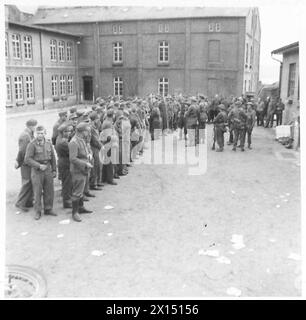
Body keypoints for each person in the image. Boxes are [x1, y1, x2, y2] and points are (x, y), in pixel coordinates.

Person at [24, 125, 57, 220]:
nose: (40, 135)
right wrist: (38, 165)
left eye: (42, 133)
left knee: (49, 190)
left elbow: (53, 158)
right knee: (37, 192)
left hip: (47, 169)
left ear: (45, 133)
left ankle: (48, 209)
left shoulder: (48, 143)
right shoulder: (32, 144)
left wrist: (54, 170)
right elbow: (27, 159)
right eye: (38, 133)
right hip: (37, 171)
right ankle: (37, 211)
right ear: (35, 134)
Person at [68, 122, 93, 222]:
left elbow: (87, 150)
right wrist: (85, 164)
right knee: (77, 192)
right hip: (78, 170)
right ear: (82, 132)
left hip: (83, 169)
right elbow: (72, 159)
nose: (88, 133)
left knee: (81, 190)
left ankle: (81, 207)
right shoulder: (73, 142)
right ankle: (75, 212)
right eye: (87, 131)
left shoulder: (81, 139)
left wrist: (90, 155)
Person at [15, 119, 38, 212]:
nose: (36, 128)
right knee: (27, 182)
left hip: (28, 162)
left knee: (30, 182)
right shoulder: (25, 136)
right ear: (31, 126)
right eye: (35, 126)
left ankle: (28, 201)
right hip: (26, 163)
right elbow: (23, 151)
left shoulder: (29, 134)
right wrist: (19, 161)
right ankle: (20, 203)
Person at [55, 122, 73, 208]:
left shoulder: (60, 139)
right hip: (65, 163)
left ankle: (67, 199)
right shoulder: (63, 142)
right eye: (68, 131)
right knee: (67, 183)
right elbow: (72, 152)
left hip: (63, 161)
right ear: (63, 132)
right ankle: (67, 202)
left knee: (67, 182)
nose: (69, 133)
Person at [89, 112, 103, 190]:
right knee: (95, 166)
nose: (99, 120)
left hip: (97, 148)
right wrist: (102, 147)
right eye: (97, 119)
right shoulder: (92, 128)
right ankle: (93, 184)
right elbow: (95, 140)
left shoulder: (94, 127)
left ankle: (97, 181)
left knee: (98, 165)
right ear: (94, 119)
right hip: (94, 148)